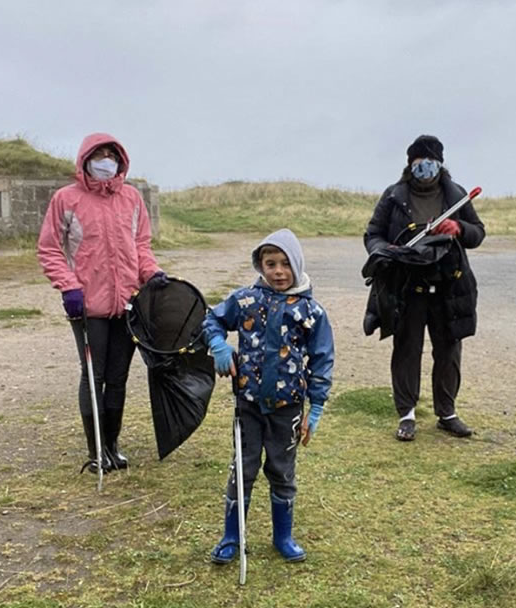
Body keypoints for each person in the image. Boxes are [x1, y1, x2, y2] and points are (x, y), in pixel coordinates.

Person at [37, 133, 168, 475]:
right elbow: (49, 248)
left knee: (118, 377)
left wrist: (152, 273)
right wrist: (68, 287)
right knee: (94, 376)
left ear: (120, 160)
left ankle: (112, 445)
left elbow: (141, 246)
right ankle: (95, 450)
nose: (106, 160)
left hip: (126, 304)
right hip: (87, 308)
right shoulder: (66, 199)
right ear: (86, 159)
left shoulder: (132, 198)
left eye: (112, 154)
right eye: (99, 154)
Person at [204, 229, 334, 564]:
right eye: (270, 263)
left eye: (285, 264)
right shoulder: (245, 299)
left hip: (287, 408)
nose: (278, 271)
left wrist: (315, 407)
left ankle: (283, 536)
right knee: (242, 469)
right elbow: (212, 319)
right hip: (247, 404)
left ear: (297, 264)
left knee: (282, 471)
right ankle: (232, 536)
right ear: (260, 265)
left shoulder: (311, 311)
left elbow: (322, 359)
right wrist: (218, 344)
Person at [364, 135, 485, 442]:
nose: (424, 168)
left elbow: (478, 233)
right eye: (418, 163)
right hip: (407, 287)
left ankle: (447, 413)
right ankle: (406, 415)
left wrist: (459, 228)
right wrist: (386, 252)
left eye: (430, 163)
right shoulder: (394, 196)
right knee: (406, 351)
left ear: (440, 164)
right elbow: (373, 234)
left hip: (448, 287)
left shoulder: (456, 195)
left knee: (448, 352)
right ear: (410, 165)